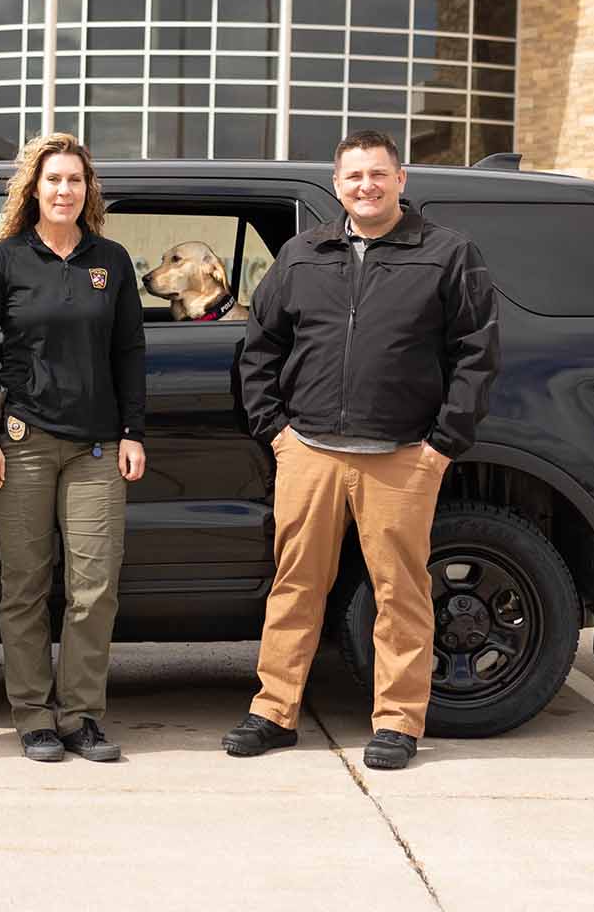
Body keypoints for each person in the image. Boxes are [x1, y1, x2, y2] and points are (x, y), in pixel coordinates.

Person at [224, 128, 498, 770]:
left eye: (378, 174)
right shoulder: (303, 253)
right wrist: (277, 433)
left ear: (401, 180)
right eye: (353, 177)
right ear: (337, 184)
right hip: (310, 451)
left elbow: (477, 355)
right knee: (295, 584)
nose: (366, 186)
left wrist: (441, 445)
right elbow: (260, 347)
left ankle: (398, 722)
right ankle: (274, 710)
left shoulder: (447, 253)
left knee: (400, 589)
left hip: (402, 454)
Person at [0, 132, 147, 764]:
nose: (64, 190)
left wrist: (133, 431)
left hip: (97, 450)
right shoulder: (4, 261)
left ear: (88, 189)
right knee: (26, 585)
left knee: (94, 587)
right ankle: (35, 717)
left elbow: (129, 352)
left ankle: (82, 716)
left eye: (75, 180)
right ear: (33, 190)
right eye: (53, 180)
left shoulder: (112, 261)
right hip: (22, 447)